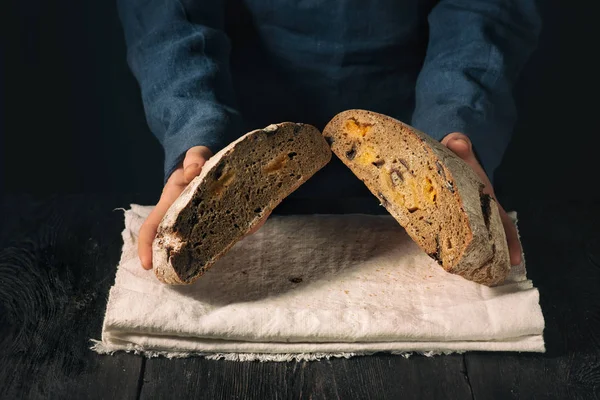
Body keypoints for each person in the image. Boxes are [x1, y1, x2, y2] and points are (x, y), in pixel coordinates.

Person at [117, 0, 541, 270]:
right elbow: (168, 10)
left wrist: (458, 122)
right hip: (242, 132)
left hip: (421, 132)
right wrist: (196, 129)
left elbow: (486, 7)